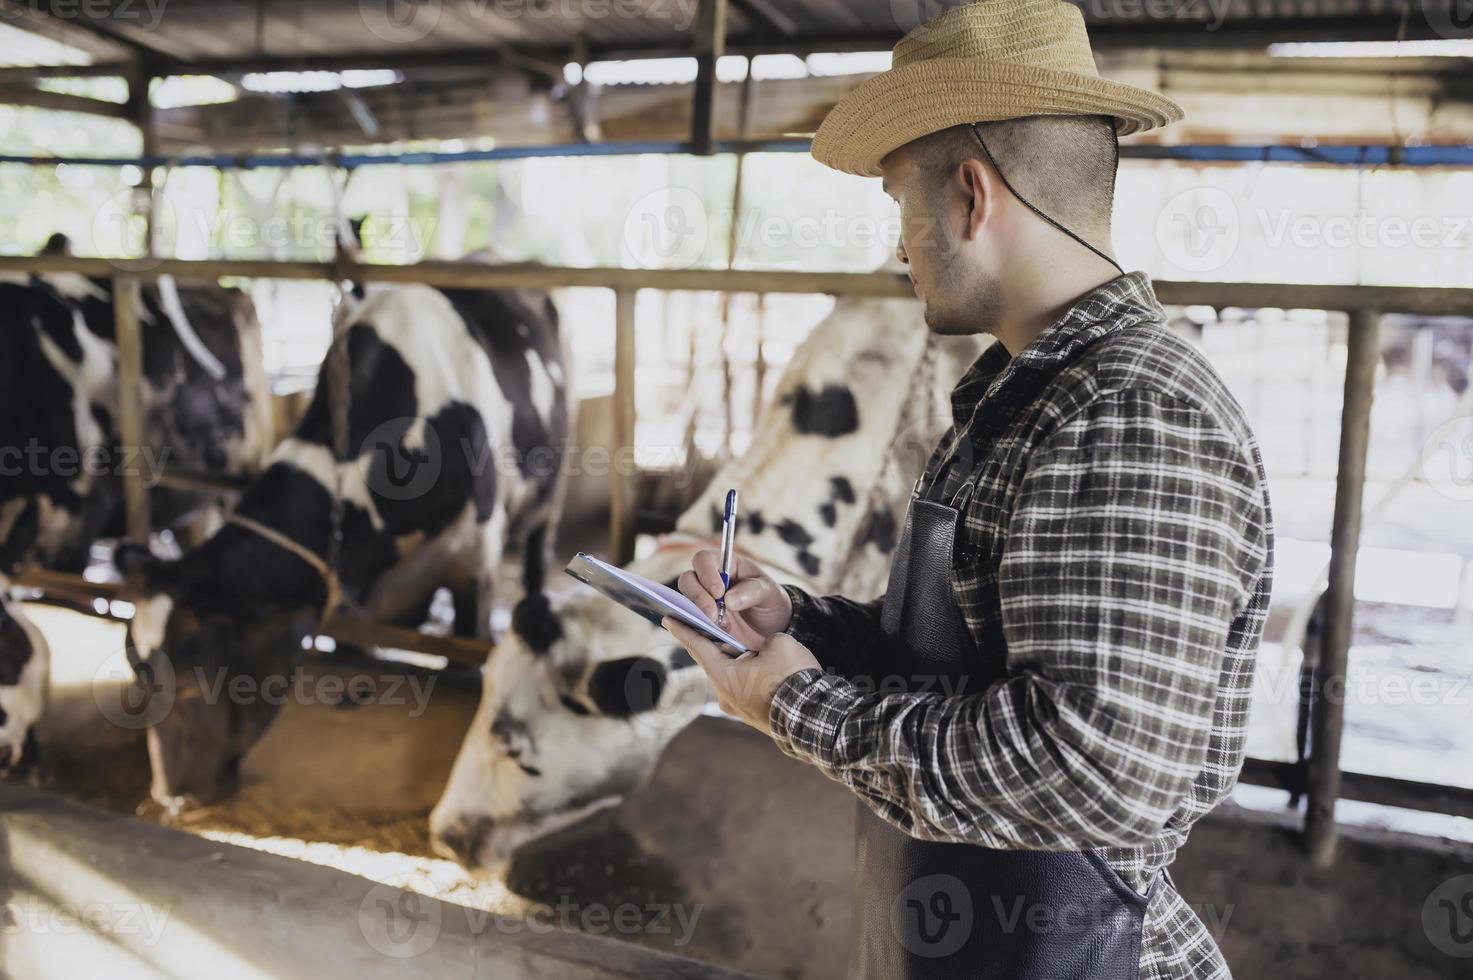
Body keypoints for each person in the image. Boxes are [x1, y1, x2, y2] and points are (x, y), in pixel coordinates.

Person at [663, 2, 1274, 978]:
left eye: (903, 209)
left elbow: (1088, 768)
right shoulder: (1017, 393)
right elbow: (972, 659)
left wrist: (798, 705)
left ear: (971, 197)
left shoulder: (1126, 414)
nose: (903, 246)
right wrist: (806, 623)